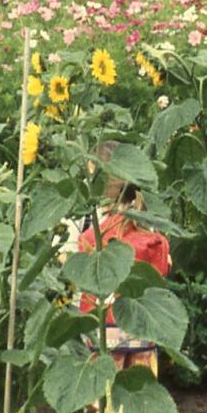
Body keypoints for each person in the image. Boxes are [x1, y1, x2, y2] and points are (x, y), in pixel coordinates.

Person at [77, 141, 172, 374]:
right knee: (140, 399)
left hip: (102, 336)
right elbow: (163, 272)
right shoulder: (153, 239)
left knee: (102, 401)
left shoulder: (92, 238)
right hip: (142, 336)